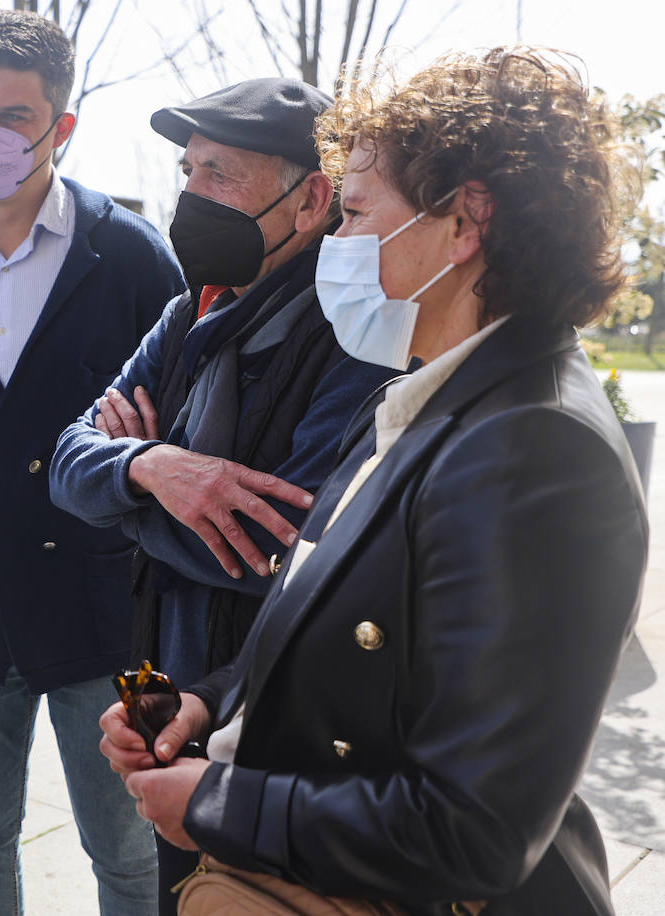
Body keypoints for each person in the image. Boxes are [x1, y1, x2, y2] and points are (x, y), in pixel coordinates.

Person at [103, 47, 647, 914]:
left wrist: (216, 802)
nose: (337, 241)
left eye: (354, 213)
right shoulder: (424, 388)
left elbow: (475, 829)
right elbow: (329, 618)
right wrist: (206, 704)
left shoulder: (536, 449)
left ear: (465, 224)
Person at [48, 77, 398, 905]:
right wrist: (153, 469)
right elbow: (66, 464)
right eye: (188, 170)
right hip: (152, 677)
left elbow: (279, 549)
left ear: (312, 200)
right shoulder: (187, 317)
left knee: (246, 896)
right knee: (176, 888)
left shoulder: (353, 337)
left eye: (220, 175)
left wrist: (127, 500)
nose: (191, 196)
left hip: (263, 705)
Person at [0, 11, 184, 914]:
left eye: (13, 116)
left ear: (62, 126)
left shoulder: (133, 258)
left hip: (118, 629)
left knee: (134, 849)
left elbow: (175, 433)